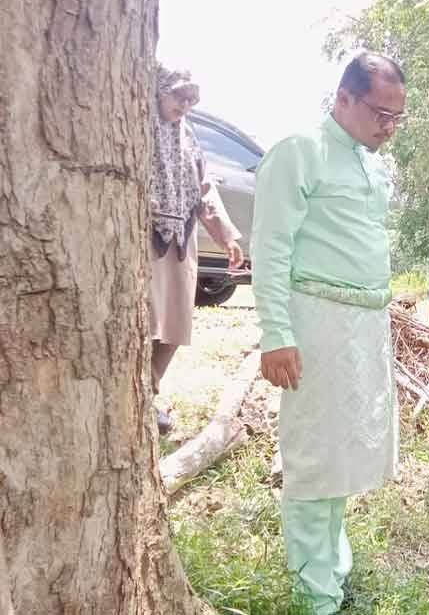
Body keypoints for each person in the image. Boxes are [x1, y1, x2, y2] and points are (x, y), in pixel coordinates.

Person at [250, 51, 406, 614]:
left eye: (396, 117)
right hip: (313, 322)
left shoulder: (372, 164)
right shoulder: (301, 150)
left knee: (345, 452)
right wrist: (276, 334)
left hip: (364, 325)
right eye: (379, 113)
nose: (388, 126)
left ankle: (332, 565)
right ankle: (314, 593)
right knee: (315, 453)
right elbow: (270, 247)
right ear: (343, 98)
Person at [150, 64, 243, 435]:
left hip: (180, 241)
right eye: (179, 96)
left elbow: (203, 189)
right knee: (145, 321)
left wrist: (226, 236)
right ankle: (135, 396)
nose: (185, 105)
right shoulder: (136, 127)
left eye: (191, 99)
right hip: (146, 238)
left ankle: (148, 393)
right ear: (160, 90)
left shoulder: (187, 135)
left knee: (174, 326)